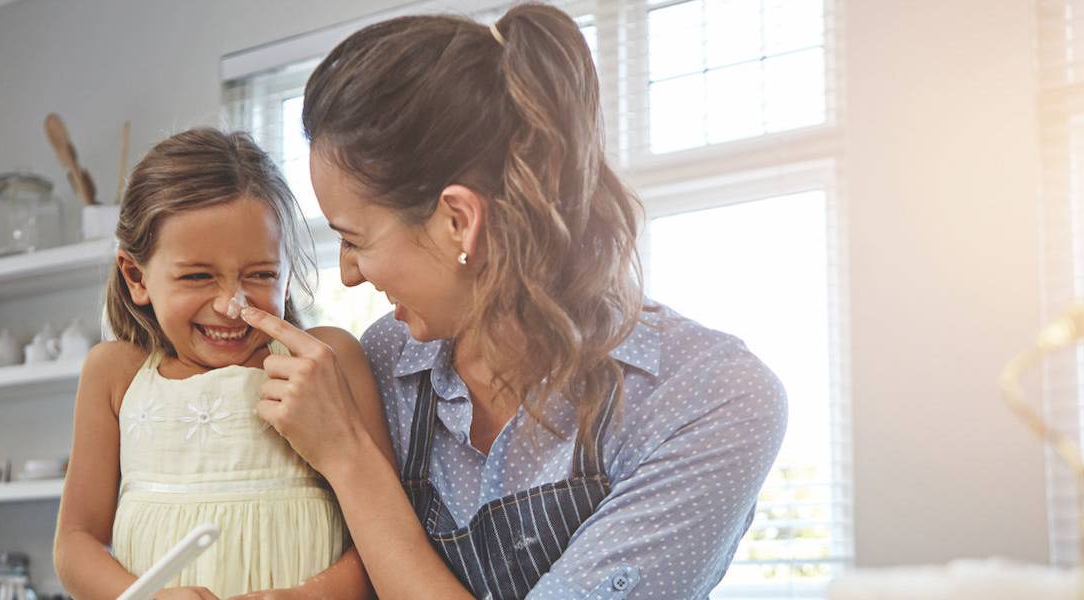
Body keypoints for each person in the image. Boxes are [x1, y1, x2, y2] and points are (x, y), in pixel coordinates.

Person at [239, 4, 789, 598]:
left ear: (458, 221)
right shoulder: (385, 363)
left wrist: (349, 455)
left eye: (354, 240)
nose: (347, 275)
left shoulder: (709, 397)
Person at [52, 128, 390, 600]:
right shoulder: (115, 374)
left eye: (261, 274)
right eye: (196, 276)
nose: (232, 304)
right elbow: (74, 543)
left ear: (287, 270)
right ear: (136, 276)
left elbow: (384, 535)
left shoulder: (324, 361)